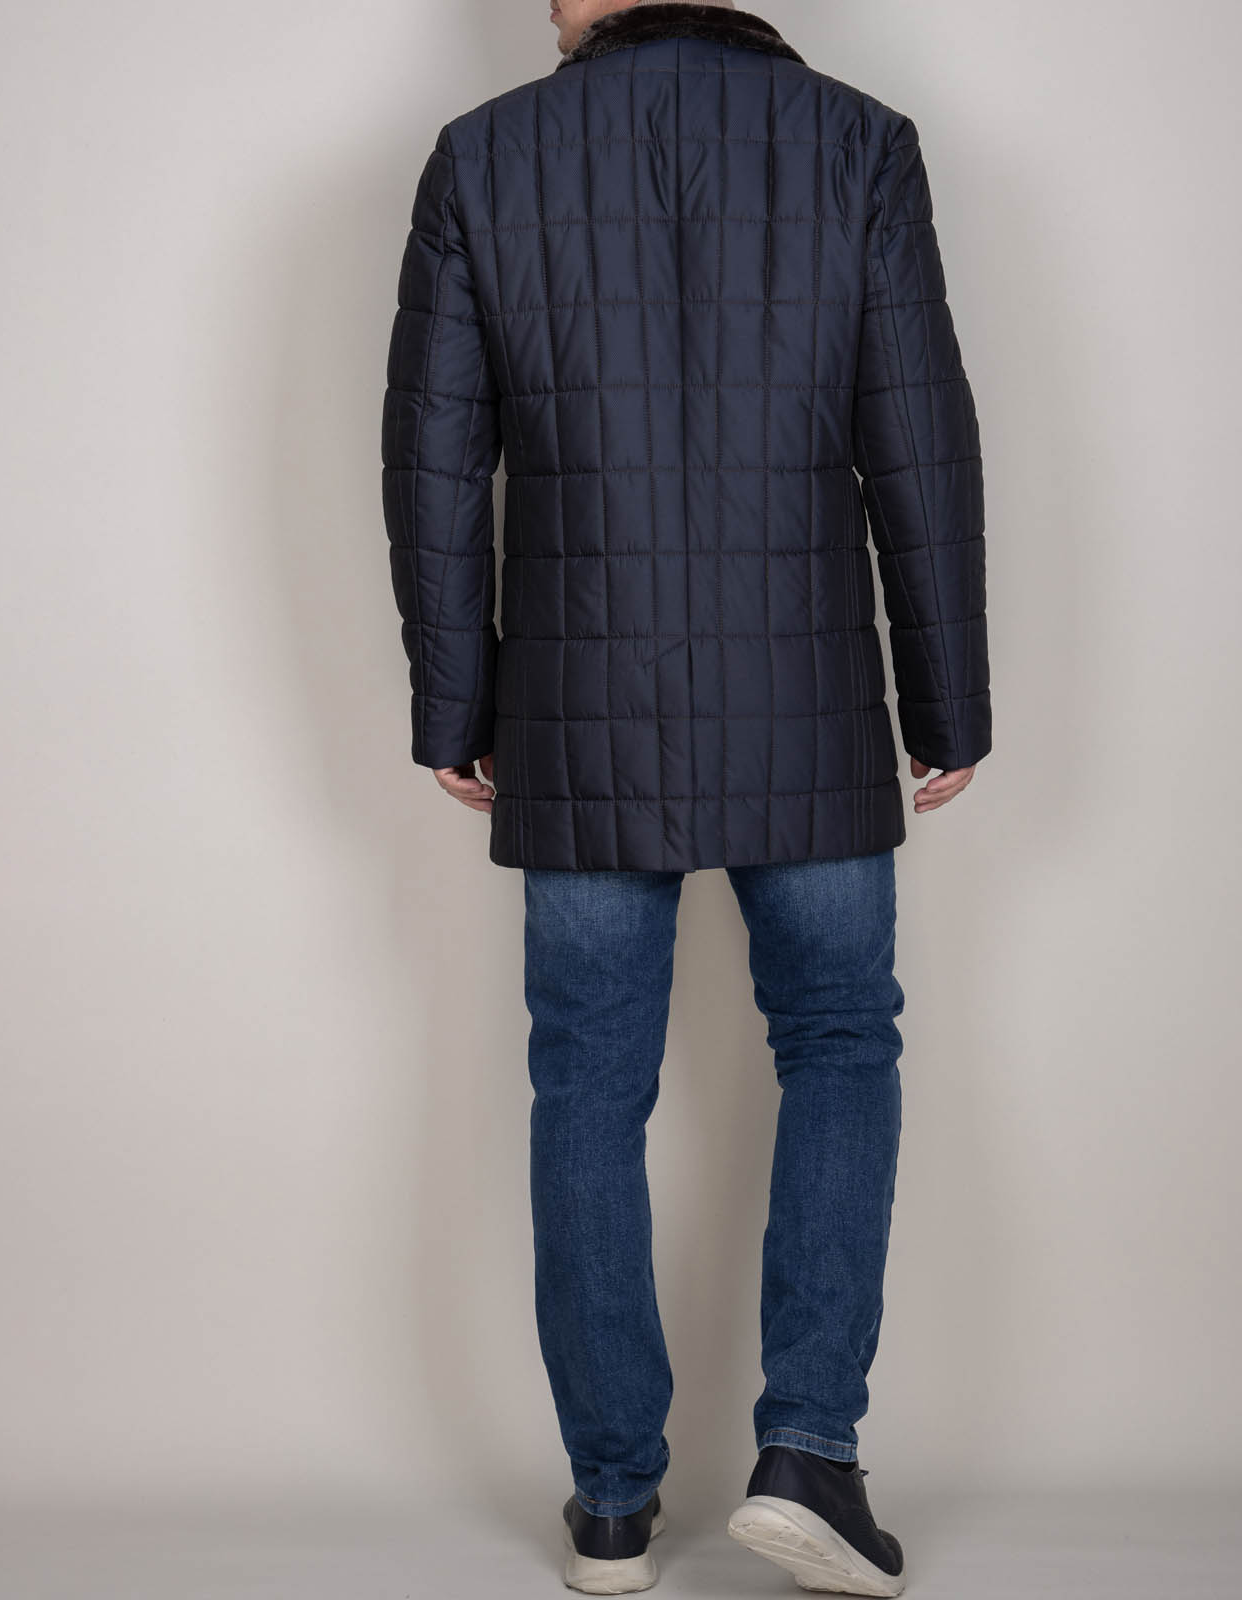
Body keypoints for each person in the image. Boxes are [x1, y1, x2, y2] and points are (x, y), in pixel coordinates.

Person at [379, 1, 989, 1591]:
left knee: (587, 1084)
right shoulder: (856, 144)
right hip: (808, 701)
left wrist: (454, 702)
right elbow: (916, 435)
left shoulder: (484, 156)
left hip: (580, 711)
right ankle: (810, 1453)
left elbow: (435, 458)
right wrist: (948, 698)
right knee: (839, 1041)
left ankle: (609, 1506)